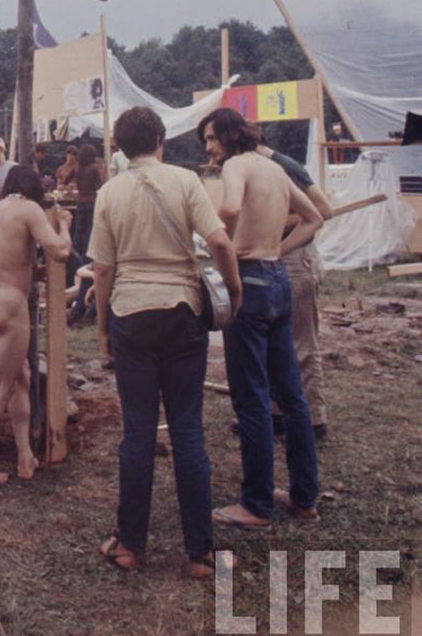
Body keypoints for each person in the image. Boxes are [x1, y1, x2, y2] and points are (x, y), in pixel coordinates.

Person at [89, 107, 241, 579]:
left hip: (131, 314)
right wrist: (233, 293)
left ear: (118, 147)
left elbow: (103, 270)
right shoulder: (185, 181)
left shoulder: (109, 193)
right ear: (160, 140)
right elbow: (219, 242)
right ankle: (199, 554)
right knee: (188, 432)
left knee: (137, 434)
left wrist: (102, 329)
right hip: (182, 313)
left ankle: (130, 545)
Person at [199, 108, 323, 529]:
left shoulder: (236, 166)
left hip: (250, 285)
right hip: (277, 280)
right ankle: (305, 497)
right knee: (291, 396)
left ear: (231, 136)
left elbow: (230, 209)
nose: (210, 149)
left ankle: (255, 505)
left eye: (213, 139)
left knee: (251, 397)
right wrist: (279, 250)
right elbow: (316, 217)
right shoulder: (273, 168)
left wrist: (219, 247)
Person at [0, 165, 72, 487]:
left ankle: (25, 458)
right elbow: (60, 252)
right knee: (3, 386)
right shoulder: (29, 209)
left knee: (21, 376)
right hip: (9, 306)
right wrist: (63, 226)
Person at [257, 142, 332, 441]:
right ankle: (277, 413)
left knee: (302, 341)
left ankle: (314, 420)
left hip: (295, 259)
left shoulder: (285, 165)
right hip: (274, 259)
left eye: (214, 140)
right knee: (276, 342)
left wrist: (279, 236)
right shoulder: (253, 166)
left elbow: (323, 210)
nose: (211, 149)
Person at [67, 144, 104, 325]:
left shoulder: (77, 168)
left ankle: (75, 254)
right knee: (89, 232)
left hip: (80, 200)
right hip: (92, 201)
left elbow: (66, 179)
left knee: (78, 231)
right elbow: (102, 185)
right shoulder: (94, 168)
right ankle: (85, 258)